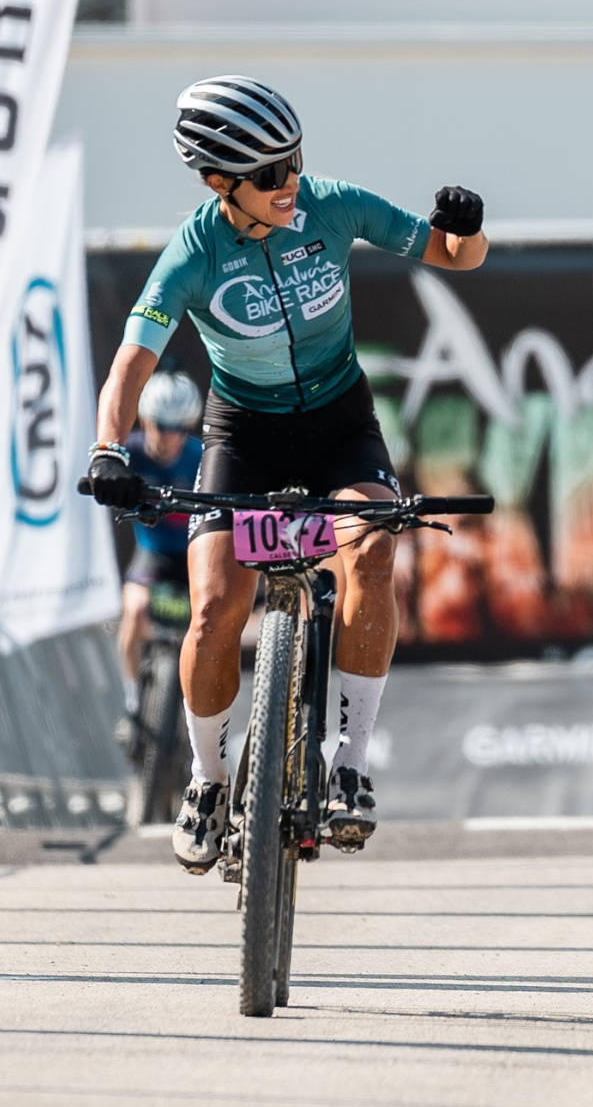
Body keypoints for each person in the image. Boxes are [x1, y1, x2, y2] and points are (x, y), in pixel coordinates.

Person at [85, 74, 488, 872]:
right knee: (212, 607)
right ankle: (206, 778)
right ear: (217, 183)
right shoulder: (193, 254)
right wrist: (107, 448)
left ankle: (350, 760)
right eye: (269, 174)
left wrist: (468, 229)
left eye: (294, 160)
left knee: (372, 552)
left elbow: (454, 256)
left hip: (341, 420)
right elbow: (133, 362)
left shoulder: (333, 206)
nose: (290, 182)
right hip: (244, 432)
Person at [115, 368, 204, 745]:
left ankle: (198, 715)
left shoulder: (199, 455)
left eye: (181, 428)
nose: (172, 438)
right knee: (134, 611)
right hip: (153, 556)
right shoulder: (129, 451)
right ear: (145, 420)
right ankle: (134, 704)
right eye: (163, 427)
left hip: (195, 557)